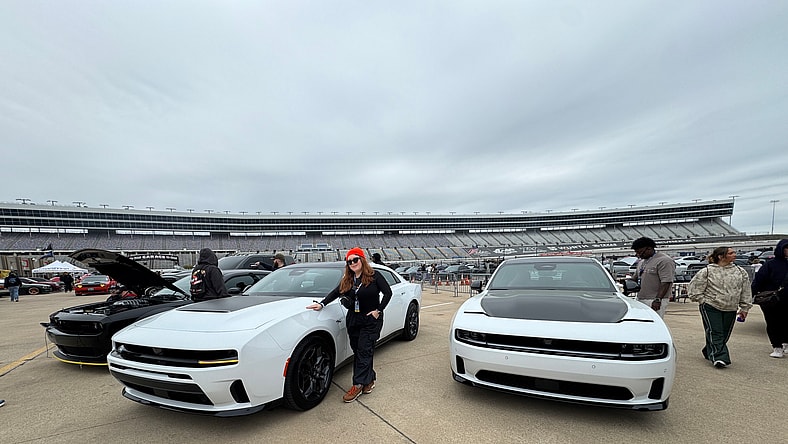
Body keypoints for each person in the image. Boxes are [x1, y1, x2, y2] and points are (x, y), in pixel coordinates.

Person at [305, 247, 392, 402]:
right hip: (353, 319)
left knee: (364, 350)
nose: (352, 263)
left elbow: (388, 293)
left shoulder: (374, 276)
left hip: (370, 320)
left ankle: (357, 385)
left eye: (355, 259)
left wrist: (378, 310)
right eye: (349, 261)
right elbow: (336, 292)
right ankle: (369, 379)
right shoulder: (348, 279)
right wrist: (322, 304)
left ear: (362, 260)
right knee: (359, 351)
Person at [687, 247, 752, 368]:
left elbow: (746, 290)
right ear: (721, 256)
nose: (734, 254)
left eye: (734, 252)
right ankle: (720, 357)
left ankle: (709, 350)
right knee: (715, 331)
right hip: (711, 306)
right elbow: (694, 288)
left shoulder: (740, 271)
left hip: (731, 307)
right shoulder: (707, 271)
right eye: (731, 253)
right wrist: (702, 300)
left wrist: (744, 308)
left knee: (725, 334)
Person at [751, 239, 788, 358]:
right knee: (773, 323)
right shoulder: (770, 264)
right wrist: (751, 295)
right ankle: (777, 346)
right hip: (772, 300)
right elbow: (758, 281)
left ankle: (785, 343)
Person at [631, 237, 675, 318]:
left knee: (654, 322)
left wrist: (658, 300)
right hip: (641, 298)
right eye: (636, 252)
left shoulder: (664, 261)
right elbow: (635, 278)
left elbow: (666, 282)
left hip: (655, 300)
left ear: (649, 248)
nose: (638, 255)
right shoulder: (642, 262)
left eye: (640, 252)